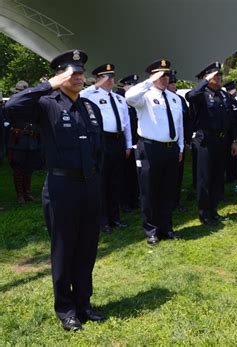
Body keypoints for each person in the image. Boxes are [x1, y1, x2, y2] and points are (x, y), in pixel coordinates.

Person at [5, 50, 106, 331]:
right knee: (64, 250)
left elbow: (98, 150)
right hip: (62, 187)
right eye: (70, 73)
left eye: (80, 73)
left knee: (87, 248)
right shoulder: (47, 105)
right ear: (60, 76)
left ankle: (84, 304)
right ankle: (66, 309)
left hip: (89, 185)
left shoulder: (89, 108)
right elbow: (12, 106)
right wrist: (48, 84)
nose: (77, 77)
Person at [126, 59, 184, 245]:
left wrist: (180, 147)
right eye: (161, 74)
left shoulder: (174, 97)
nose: (165, 78)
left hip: (171, 149)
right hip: (151, 148)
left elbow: (179, 125)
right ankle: (151, 230)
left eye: (167, 74)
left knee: (168, 190)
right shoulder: (144, 95)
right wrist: (149, 81)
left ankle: (166, 227)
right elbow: (129, 97)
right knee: (149, 190)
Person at [185, 62, 237, 225]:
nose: (220, 78)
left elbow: (230, 119)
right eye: (216, 75)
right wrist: (205, 81)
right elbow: (190, 96)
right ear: (206, 78)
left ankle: (213, 210)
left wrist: (234, 140)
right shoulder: (201, 94)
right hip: (205, 141)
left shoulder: (222, 95)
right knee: (205, 177)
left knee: (217, 177)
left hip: (222, 140)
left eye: (219, 75)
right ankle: (204, 213)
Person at [81, 64, 132, 232]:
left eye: (111, 77)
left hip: (118, 141)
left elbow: (127, 124)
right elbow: (81, 94)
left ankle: (115, 218)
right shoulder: (92, 96)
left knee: (116, 182)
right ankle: (103, 220)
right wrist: (95, 85)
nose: (110, 80)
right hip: (103, 141)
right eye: (105, 77)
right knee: (102, 181)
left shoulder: (119, 98)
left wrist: (128, 143)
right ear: (98, 79)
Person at [6, 80, 44, 203]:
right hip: (17, 140)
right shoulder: (12, 104)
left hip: (31, 139)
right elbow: (7, 120)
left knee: (29, 168)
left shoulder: (35, 104)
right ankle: (20, 195)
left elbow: (39, 120)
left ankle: (27, 193)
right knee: (18, 167)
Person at [116, 74, 140, 212]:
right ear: (124, 86)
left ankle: (134, 199)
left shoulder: (135, 101)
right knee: (124, 174)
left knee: (135, 174)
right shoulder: (120, 100)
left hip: (137, 141)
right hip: (125, 143)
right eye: (130, 85)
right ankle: (123, 201)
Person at [168, 71, 192, 212]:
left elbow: (187, 121)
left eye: (174, 82)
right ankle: (167, 202)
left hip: (179, 142)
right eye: (171, 82)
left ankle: (176, 201)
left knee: (178, 174)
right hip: (165, 142)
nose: (174, 85)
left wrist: (187, 140)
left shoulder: (179, 100)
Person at [223, 80, 237, 191]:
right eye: (234, 88)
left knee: (236, 157)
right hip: (230, 134)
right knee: (230, 156)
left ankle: (234, 175)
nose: (236, 91)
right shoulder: (227, 101)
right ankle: (230, 176)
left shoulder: (236, 102)